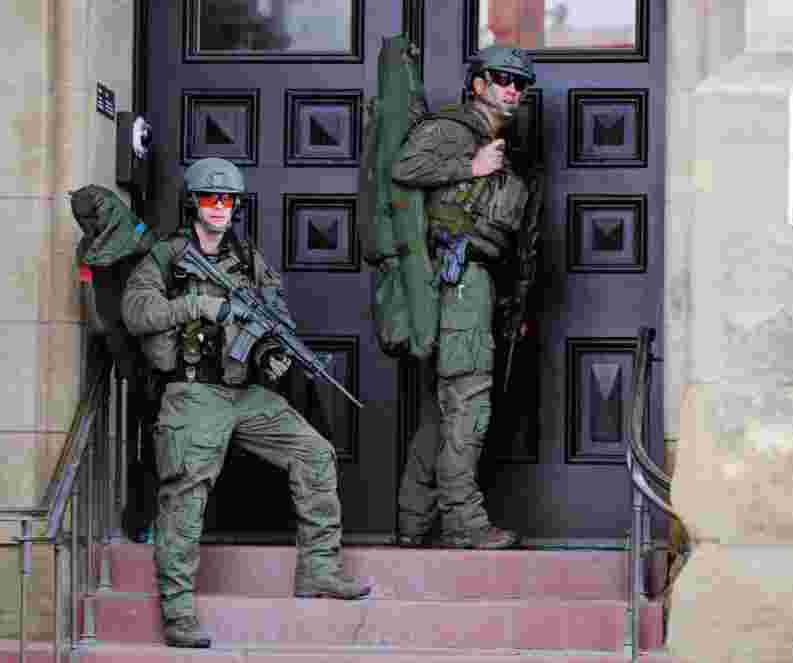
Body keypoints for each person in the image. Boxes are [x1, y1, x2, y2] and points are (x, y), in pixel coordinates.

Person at [121, 157, 372, 648]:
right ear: (194, 202)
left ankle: (319, 569)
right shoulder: (167, 259)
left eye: (230, 199)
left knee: (314, 453)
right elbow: (136, 312)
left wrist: (272, 355)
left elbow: (274, 314)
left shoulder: (248, 258)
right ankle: (178, 611)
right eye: (212, 198)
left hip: (243, 393)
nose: (221, 207)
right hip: (193, 392)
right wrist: (196, 304)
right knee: (186, 494)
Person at [392, 45, 540, 550]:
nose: (513, 90)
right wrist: (469, 165)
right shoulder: (454, 130)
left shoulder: (497, 140)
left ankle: (412, 519)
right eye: (502, 79)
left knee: (446, 407)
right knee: (468, 407)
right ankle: (464, 522)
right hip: (456, 278)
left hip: (474, 283)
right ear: (478, 83)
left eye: (521, 84)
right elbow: (405, 166)